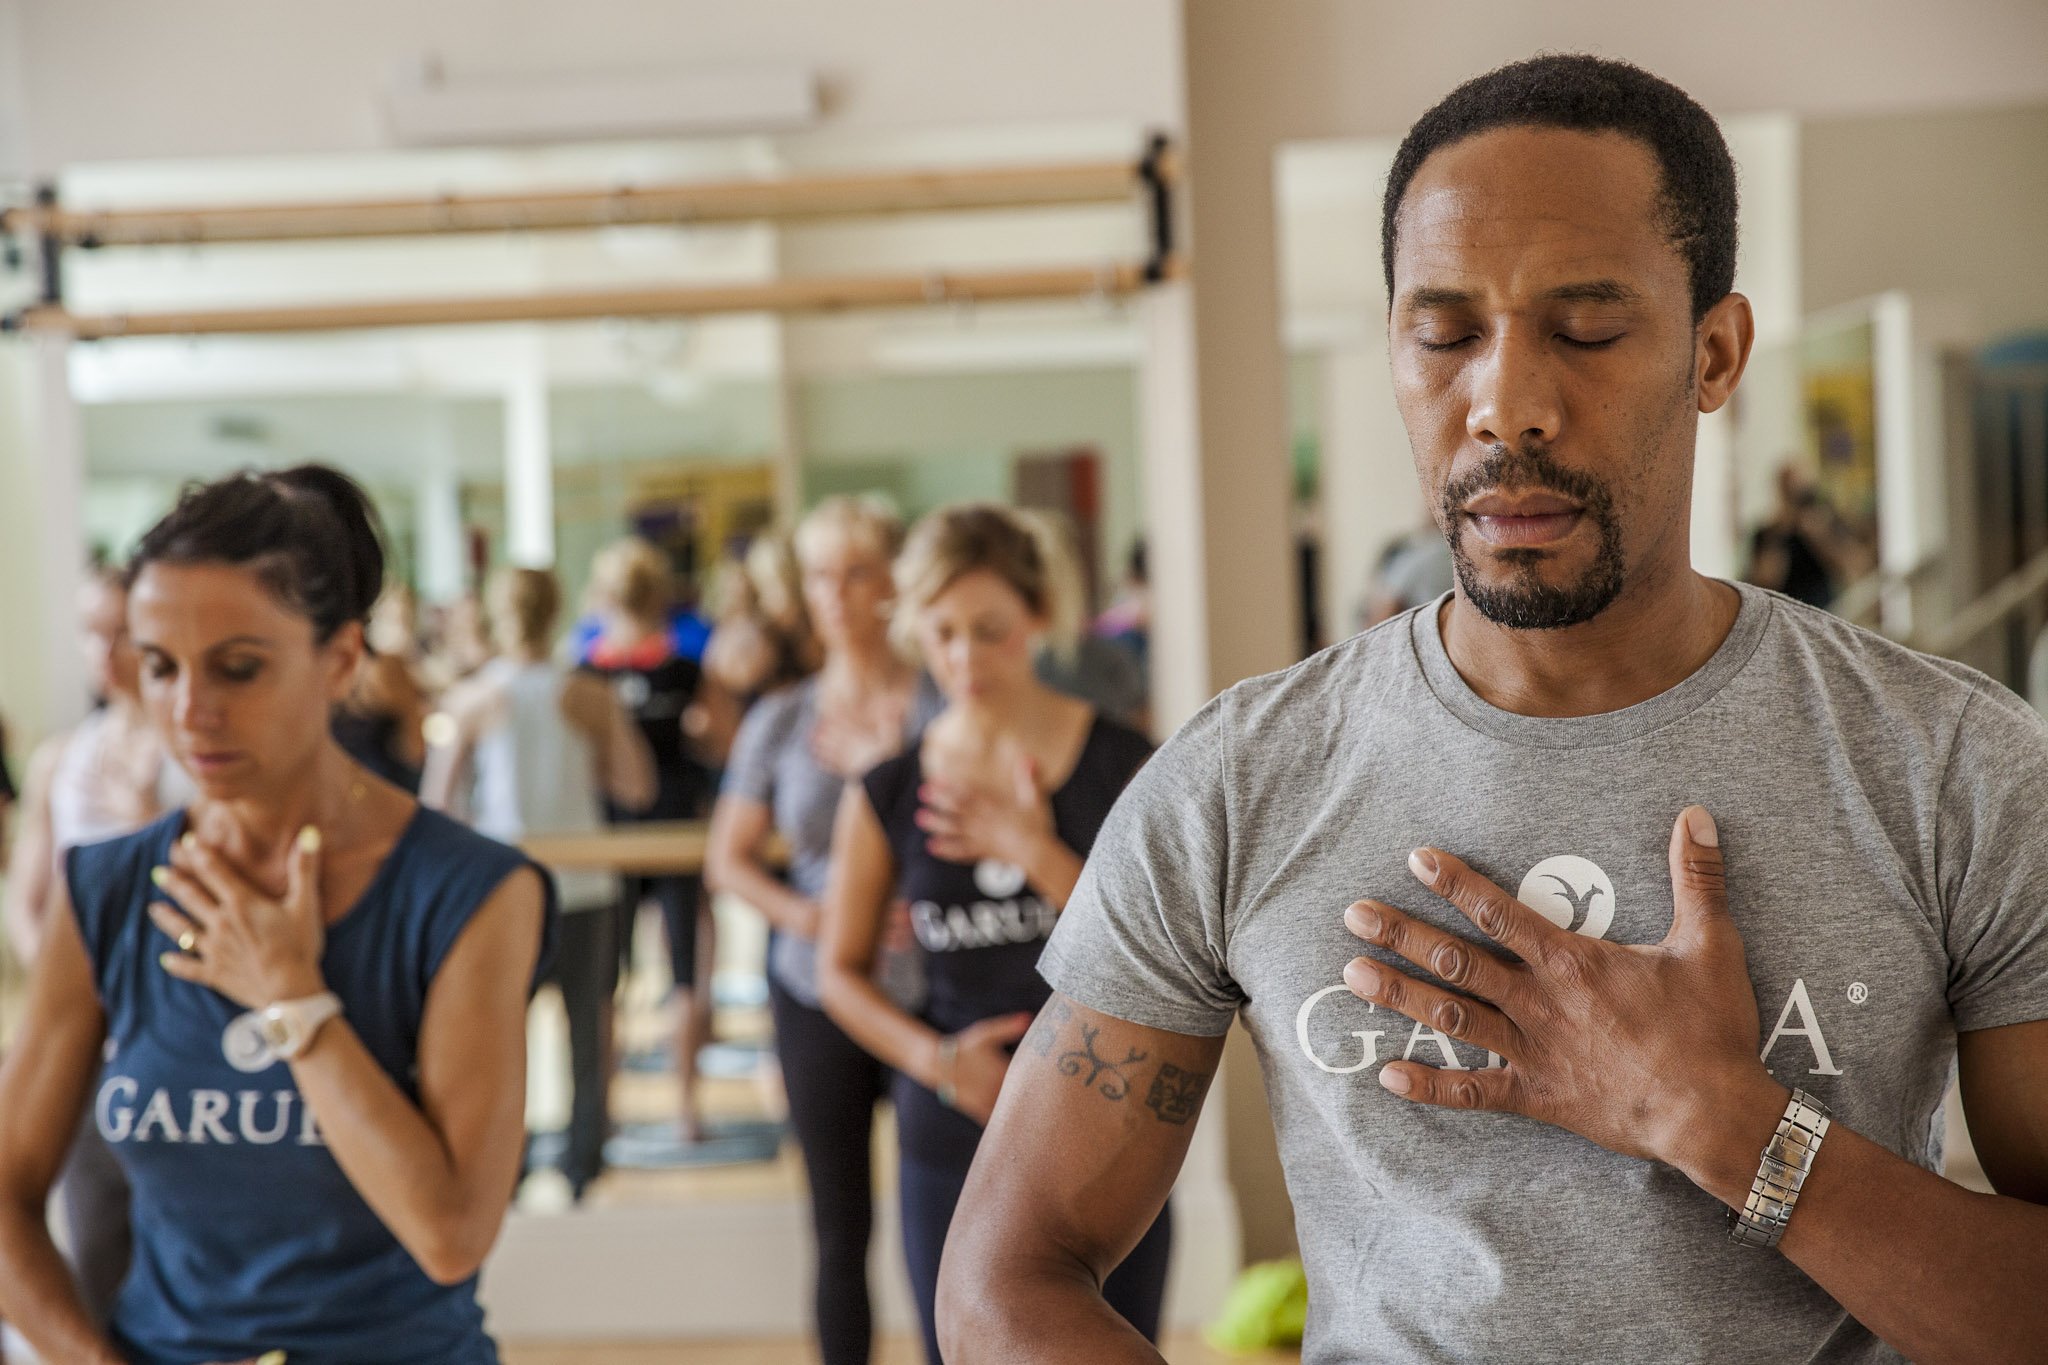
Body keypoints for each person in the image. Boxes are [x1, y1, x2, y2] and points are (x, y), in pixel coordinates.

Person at [940, 55, 2048, 1365]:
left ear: (1715, 351)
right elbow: (1004, 1283)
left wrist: (1723, 1122)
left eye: (1585, 329)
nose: (1506, 402)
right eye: (1446, 332)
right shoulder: (1239, 782)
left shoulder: (1953, 767)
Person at [0, 465, 552, 1365]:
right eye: (160, 665)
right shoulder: (104, 889)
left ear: (339, 660)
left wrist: (291, 997)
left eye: (239, 667)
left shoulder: (471, 891)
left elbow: (450, 1233)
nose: (190, 709)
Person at [817, 503, 1169, 1365]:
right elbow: (838, 974)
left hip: (1110, 1117)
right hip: (953, 1123)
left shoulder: (1125, 762)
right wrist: (938, 1063)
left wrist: (1031, 848)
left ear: (1038, 617)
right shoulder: (888, 790)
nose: (964, 658)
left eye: (989, 629)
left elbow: (1163, 949)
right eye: (942, 633)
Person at [705, 496, 936, 1365]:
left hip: (933, 990)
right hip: (814, 989)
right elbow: (727, 862)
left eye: (857, 571)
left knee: (947, 1220)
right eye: (819, 575)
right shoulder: (781, 719)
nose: (835, 593)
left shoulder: (940, 702)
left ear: (892, 581)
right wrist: (819, 917)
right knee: (840, 1230)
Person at [2, 568, 198, 1337]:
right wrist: (68, 983)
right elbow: (31, 897)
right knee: (93, 1237)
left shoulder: (198, 755)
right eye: (91, 632)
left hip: (181, 1030)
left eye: (122, 632)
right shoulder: (63, 757)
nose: (105, 651)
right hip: (90, 1040)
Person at [421, 566, 655, 1201]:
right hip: (583, 887)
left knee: (502, 1040)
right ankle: (583, 1165)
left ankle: (510, 1164)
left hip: (505, 890)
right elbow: (637, 785)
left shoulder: (471, 699)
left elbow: (435, 806)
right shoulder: (587, 694)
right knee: (588, 1034)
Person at [583, 537, 716, 1142]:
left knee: (606, 978)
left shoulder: (585, 675)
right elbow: (719, 742)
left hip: (612, 837)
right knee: (684, 970)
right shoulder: (686, 671)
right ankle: (685, 1110)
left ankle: (605, 1112)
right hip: (676, 828)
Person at [1745, 462, 1872, 609]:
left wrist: (1819, 535)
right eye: (1790, 490)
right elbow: (1764, 581)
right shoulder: (1769, 533)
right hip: (1785, 613)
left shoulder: (1828, 522)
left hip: (1823, 612)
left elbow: (1855, 567)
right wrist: (1779, 533)